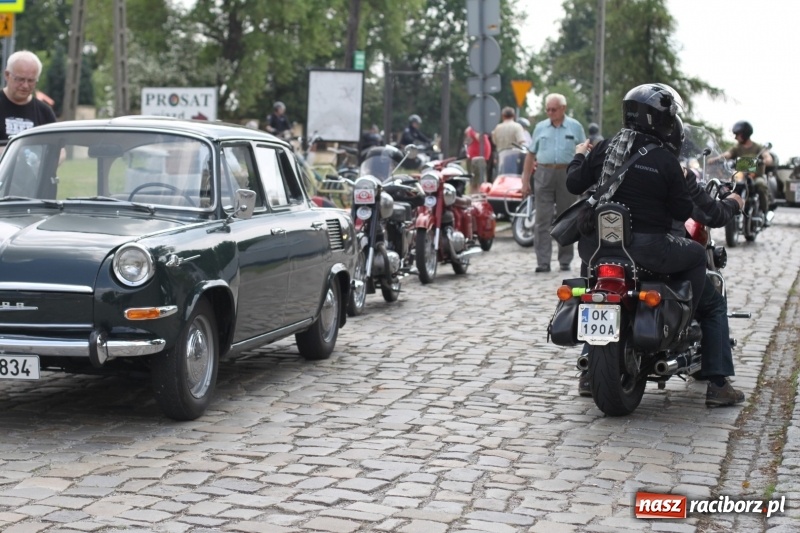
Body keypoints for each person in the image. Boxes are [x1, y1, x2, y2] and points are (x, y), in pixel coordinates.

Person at [521, 93, 586, 272]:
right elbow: (530, 154)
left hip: (567, 173)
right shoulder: (540, 127)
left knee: (566, 217)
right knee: (542, 219)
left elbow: (584, 152)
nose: (550, 112)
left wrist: (583, 176)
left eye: (553, 109)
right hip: (543, 173)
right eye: (547, 109)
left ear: (563, 108)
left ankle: (565, 260)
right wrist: (525, 181)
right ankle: (543, 261)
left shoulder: (575, 126)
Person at [716, 120, 774, 225]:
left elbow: (768, 157)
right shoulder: (737, 148)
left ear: (745, 134)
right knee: (726, 185)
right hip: (740, 177)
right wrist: (716, 158)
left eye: (737, 135)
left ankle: (764, 213)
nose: (735, 137)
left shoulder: (758, 147)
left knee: (761, 185)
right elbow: (727, 154)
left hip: (755, 177)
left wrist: (765, 160)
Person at [0, 50, 57, 143]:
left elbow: (60, 150)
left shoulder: (44, 112)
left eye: (31, 80)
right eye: (20, 79)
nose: (25, 85)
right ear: (7, 75)